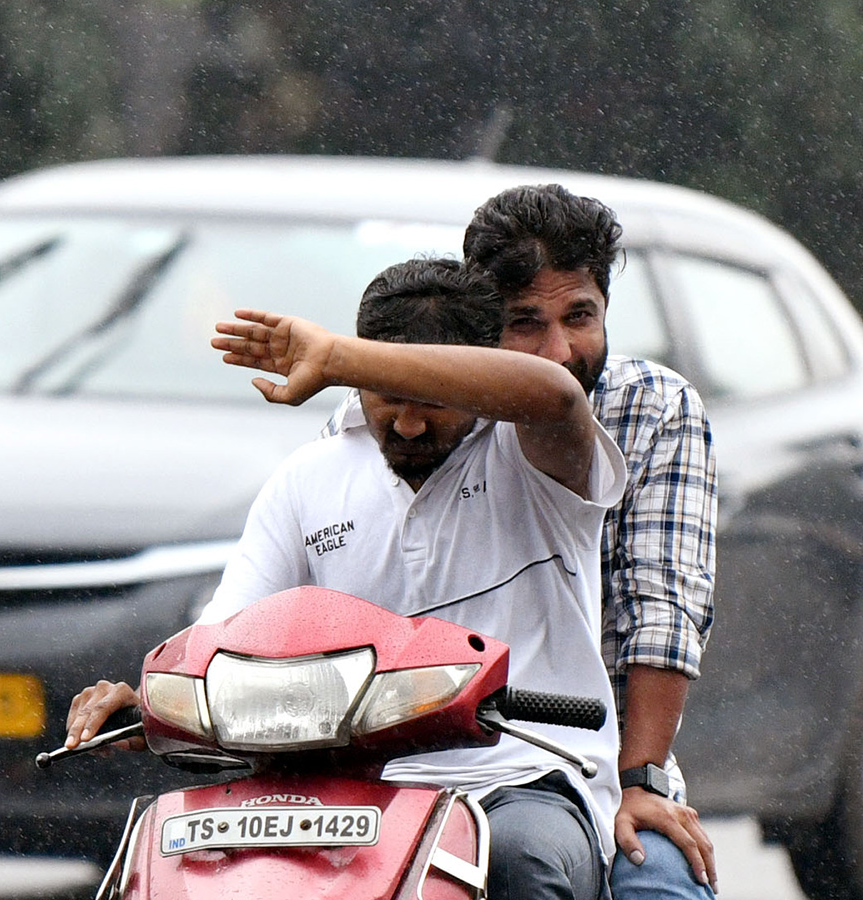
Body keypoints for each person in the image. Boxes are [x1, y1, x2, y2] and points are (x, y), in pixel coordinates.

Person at [65, 258, 627, 900]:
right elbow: (221, 638)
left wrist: (336, 355)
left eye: (433, 401)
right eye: (387, 398)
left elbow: (555, 394)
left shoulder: (536, 459)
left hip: (517, 781)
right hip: (337, 789)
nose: (409, 425)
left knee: (520, 867)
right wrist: (151, 704)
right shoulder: (310, 478)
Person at [314, 185, 719, 897]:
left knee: (656, 884)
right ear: (480, 326)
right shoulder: (406, 425)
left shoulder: (651, 408)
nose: (559, 352)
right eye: (525, 323)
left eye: (580, 317)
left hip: (597, 769)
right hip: (402, 770)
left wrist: (643, 780)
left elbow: (660, 612)